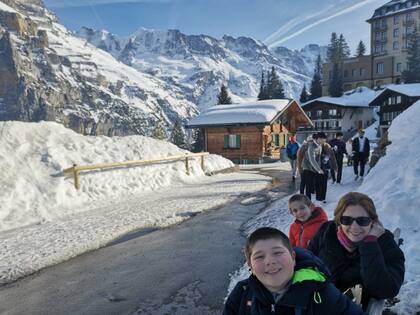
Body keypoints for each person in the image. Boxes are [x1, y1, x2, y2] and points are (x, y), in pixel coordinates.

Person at [223, 227, 367, 315]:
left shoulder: (320, 292)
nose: (270, 261)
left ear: (293, 258)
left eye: (278, 252)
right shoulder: (242, 293)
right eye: (260, 256)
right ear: (251, 266)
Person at [308, 192, 405, 309]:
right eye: (347, 220)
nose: (354, 227)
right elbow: (308, 261)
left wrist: (370, 243)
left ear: (373, 221)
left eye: (362, 220)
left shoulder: (384, 242)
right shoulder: (327, 232)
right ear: (339, 220)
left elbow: (387, 290)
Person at [297, 133, 323, 200]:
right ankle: (302, 196)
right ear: (308, 141)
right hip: (305, 168)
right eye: (310, 141)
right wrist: (299, 168)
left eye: (312, 141)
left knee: (308, 184)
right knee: (304, 183)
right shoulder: (304, 147)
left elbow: (316, 158)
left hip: (311, 168)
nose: (311, 142)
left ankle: (305, 197)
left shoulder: (314, 147)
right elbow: (299, 158)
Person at [316, 132, 337, 203]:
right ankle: (318, 197)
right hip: (317, 167)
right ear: (317, 139)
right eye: (320, 139)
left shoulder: (327, 146)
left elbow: (332, 156)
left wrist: (335, 167)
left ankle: (323, 198)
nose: (322, 140)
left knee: (324, 183)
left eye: (323, 139)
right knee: (318, 183)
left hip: (325, 167)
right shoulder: (315, 146)